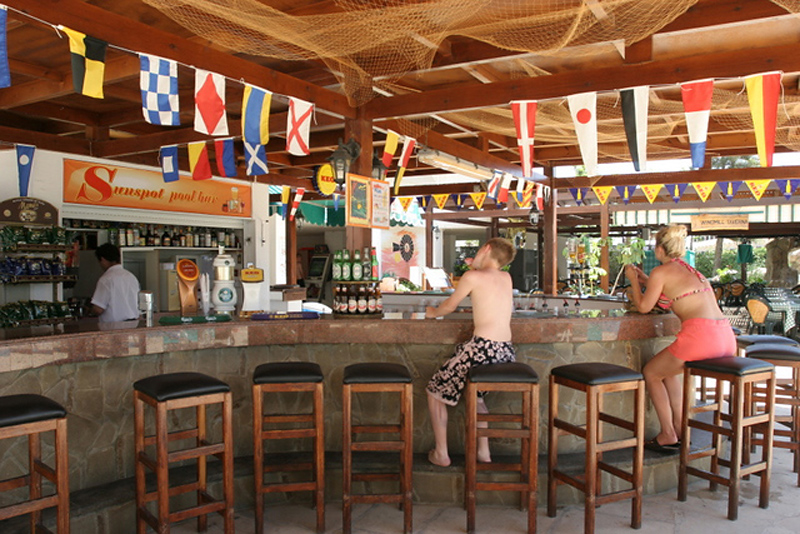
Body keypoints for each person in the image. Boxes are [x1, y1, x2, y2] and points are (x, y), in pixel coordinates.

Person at [625, 224, 735, 453]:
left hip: (701, 338)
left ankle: (667, 433)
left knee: (652, 372)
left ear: (658, 250)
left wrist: (633, 281)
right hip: (724, 336)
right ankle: (679, 427)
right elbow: (668, 292)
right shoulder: (690, 270)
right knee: (667, 371)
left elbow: (645, 307)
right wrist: (645, 280)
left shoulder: (661, 271)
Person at [425, 237, 517, 467]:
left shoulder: (473, 276)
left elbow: (449, 306)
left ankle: (441, 453)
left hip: (482, 348)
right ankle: (483, 453)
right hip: (506, 351)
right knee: (475, 395)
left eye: (478, 250)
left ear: (486, 249)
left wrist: (432, 313)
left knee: (435, 391)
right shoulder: (506, 277)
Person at [91, 243, 141, 323]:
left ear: (103, 259)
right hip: (133, 325)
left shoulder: (106, 279)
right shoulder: (131, 277)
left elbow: (98, 309)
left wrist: (89, 311)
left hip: (113, 327)